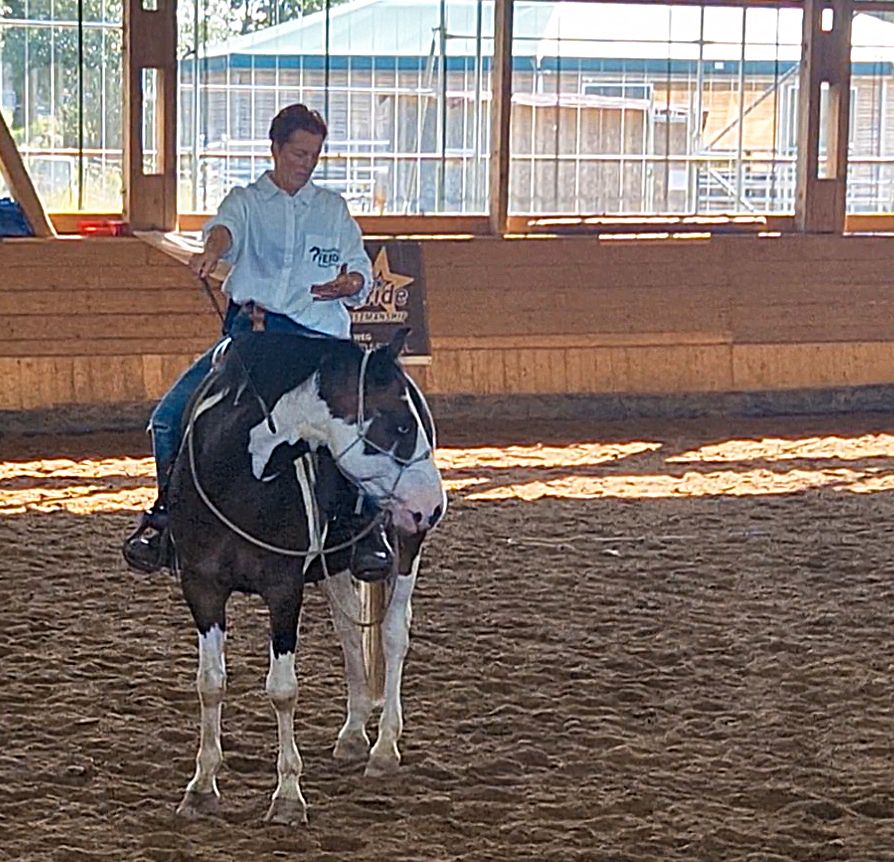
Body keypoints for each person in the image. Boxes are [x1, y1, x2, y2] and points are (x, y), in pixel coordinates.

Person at [123, 103, 392, 576]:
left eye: (313, 154)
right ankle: (168, 518)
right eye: (297, 153)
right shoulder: (245, 201)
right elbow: (225, 230)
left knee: (363, 420)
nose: (305, 163)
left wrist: (350, 283)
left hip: (321, 339)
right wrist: (212, 250)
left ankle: (366, 528)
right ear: (275, 149)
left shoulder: (333, 210)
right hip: (256, 337)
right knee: (168, 418)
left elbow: (359, 270)